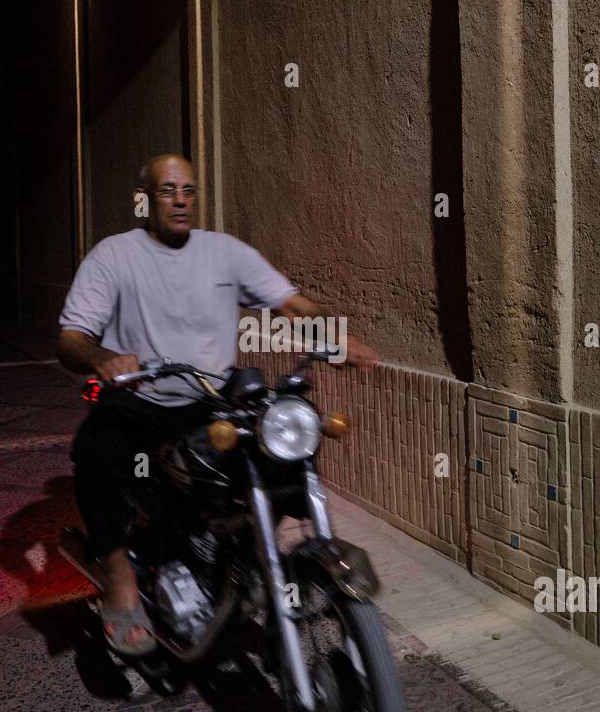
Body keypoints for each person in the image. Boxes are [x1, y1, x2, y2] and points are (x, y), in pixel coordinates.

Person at [58, 153, 379, 655]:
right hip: (141, 397)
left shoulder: (224, 252)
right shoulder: (113, 256)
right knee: (96, 450)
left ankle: (263, 556)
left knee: (284, 438)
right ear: (145, 199)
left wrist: (334, 338)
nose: (181, 199)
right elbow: (71, 338)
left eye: (188, 190)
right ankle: (120, 580)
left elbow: (289, 303)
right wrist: (102, 358)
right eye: (168, 190)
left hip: (212, 397)